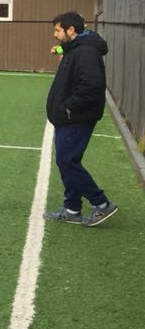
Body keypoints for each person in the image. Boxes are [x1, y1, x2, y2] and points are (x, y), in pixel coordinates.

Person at [43, 11, 117, 226]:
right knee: (68, 161)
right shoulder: (76, 47)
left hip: (77, 117)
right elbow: (69, 56)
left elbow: (91, 85)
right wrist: (60, 51)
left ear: (71, 30)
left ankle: (101, 203)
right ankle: (72, 208)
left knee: (67, 161)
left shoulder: (86, 52)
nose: (55, 34)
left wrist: (68, 108)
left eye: (58, 30)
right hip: (69, 117)